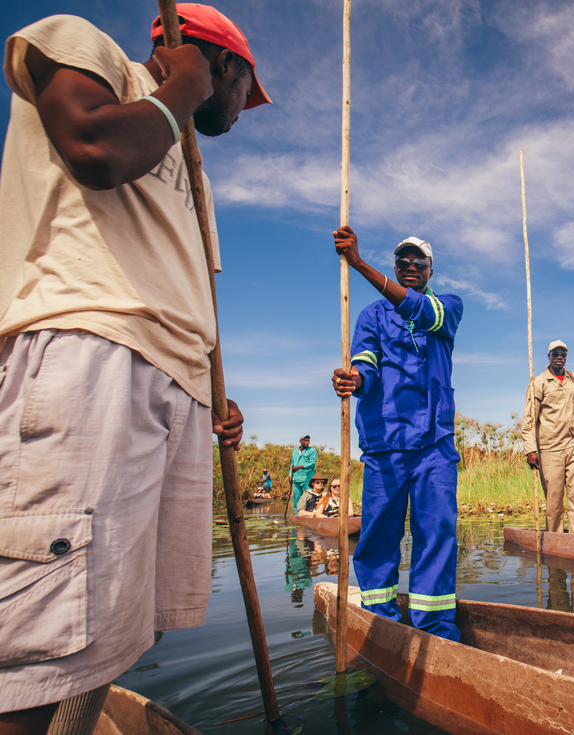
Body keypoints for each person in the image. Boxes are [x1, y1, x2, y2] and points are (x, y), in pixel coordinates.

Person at [0, 5, 266, 731]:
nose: (245, 111)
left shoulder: (188, 167)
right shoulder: (89, 50)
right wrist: (180, 89)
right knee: (48, 639)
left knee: (130, 619)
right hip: (95, 353)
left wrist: (213, 389)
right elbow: (93, 148)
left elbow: (181, 288)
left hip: (172, 387)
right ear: (225, 66)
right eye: (247, 91)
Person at [331, 227, 463, 641]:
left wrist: (358, 264)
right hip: (384, 443)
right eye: (403, 262)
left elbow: (422, 313)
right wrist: (355, 379)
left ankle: (435, 626)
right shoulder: (370, 315)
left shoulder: (447, 307)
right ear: (395, 267)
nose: (410, 268)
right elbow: (366, 362)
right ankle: (381, 622)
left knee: (437, 531)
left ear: (429, 271)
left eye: (418, 263)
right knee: (378, 536)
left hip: (434, 445)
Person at [522, 340, 574, 534]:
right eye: (556, 354)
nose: (560, 357)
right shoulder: (539, 382)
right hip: (550, 447)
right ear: (548, 356)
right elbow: (529, 419)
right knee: (554, 500)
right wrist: (531, 449)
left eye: (563, 354)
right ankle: (556, 540)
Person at [290, 434, 317, 509]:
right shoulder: (295, 452)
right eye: (305, 441)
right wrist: (290, 475)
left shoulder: (312, 451)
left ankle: (307, 514)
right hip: (296, 479)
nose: (307, 442)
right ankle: (298, 515)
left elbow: (312, 463)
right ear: (300, 441)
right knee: (296, 499)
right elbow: (292, 464)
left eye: (308, 441)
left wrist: (299, 467)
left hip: (307, 479)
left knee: (307, 498)